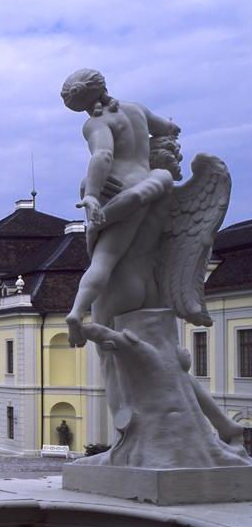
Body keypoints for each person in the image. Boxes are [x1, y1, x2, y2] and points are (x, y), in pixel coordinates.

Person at [61, 69, 180, 347]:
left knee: (105, 257)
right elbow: (168, 129)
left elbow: (103, 155)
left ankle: (77, 311)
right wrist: (170, 131)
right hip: (143, 183)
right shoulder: (137, 109)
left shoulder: (96, 122)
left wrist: (92, 194)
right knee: (116, 255)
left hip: (118, 190)